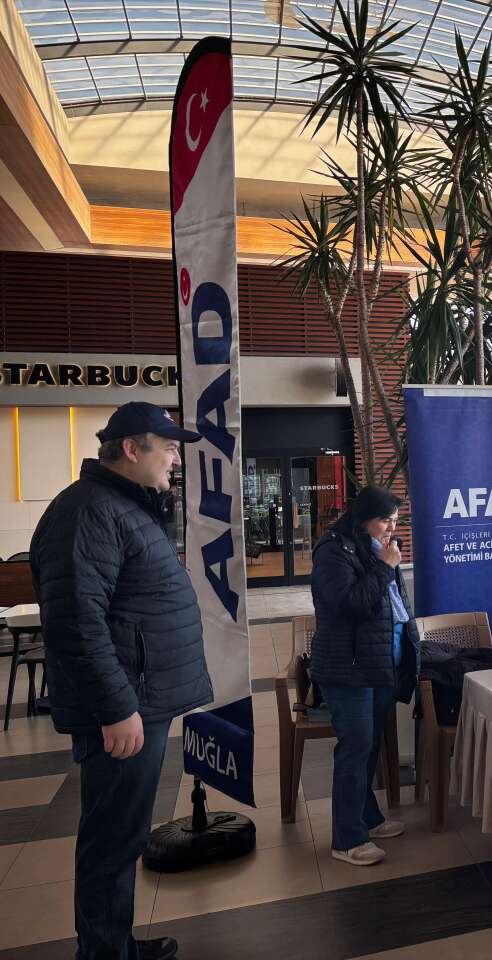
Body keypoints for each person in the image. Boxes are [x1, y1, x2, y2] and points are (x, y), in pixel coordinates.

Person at [30, 401, 213, 960]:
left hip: (140, 699)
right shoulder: (89, 511)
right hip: (124, 706)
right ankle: (105, 954)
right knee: (111, 839)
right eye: (169, 447)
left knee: (123, 834)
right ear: (131, 449)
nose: (177, 459)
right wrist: (116, 707)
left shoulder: (121, 506)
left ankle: (114, 945)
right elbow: (75, 619)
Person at [309, 486, 421, 866]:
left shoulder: (375, 549)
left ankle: (367, 819)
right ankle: (347, 838)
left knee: (369, 744)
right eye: (384, 521)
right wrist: (385, 567)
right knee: (355, 746)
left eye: (394, 520)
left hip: (380, 662)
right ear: (362, 519)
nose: (391, 528)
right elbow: (350, 605)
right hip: (348, 667)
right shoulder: (333, 551)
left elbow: (394, 604)